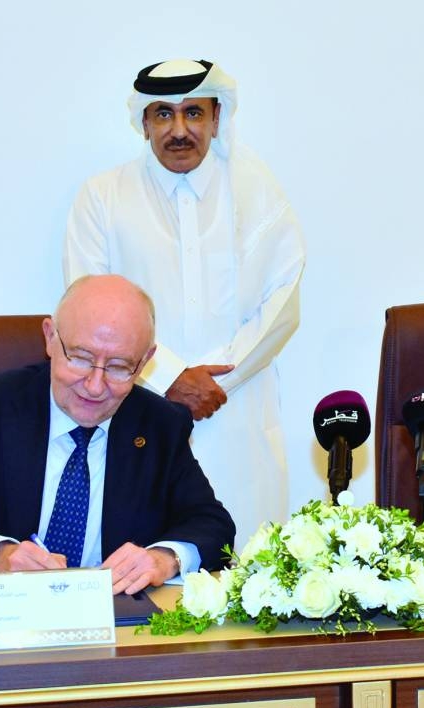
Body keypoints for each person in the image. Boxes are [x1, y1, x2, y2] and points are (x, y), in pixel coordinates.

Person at [63, 58, 306, 548]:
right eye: (163, 115)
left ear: (217, 119)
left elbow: (283, 301)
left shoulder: (257, 192)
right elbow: (86, 307)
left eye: (193, 113)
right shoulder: (103, 198)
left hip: (238, 410)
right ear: (144, 123)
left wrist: (217, 382)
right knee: (144, 571)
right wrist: (169, 376)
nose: (179, 130)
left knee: (249, 570)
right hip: (138, 407)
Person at [0, 275, 235, 594]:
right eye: (81, 358)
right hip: (2, 623)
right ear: (50, 337)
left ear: (145, 361)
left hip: (115, 630)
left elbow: (213, 525)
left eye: (118, 366)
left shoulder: (159, 425)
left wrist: (164, 558)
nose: (95, 385)